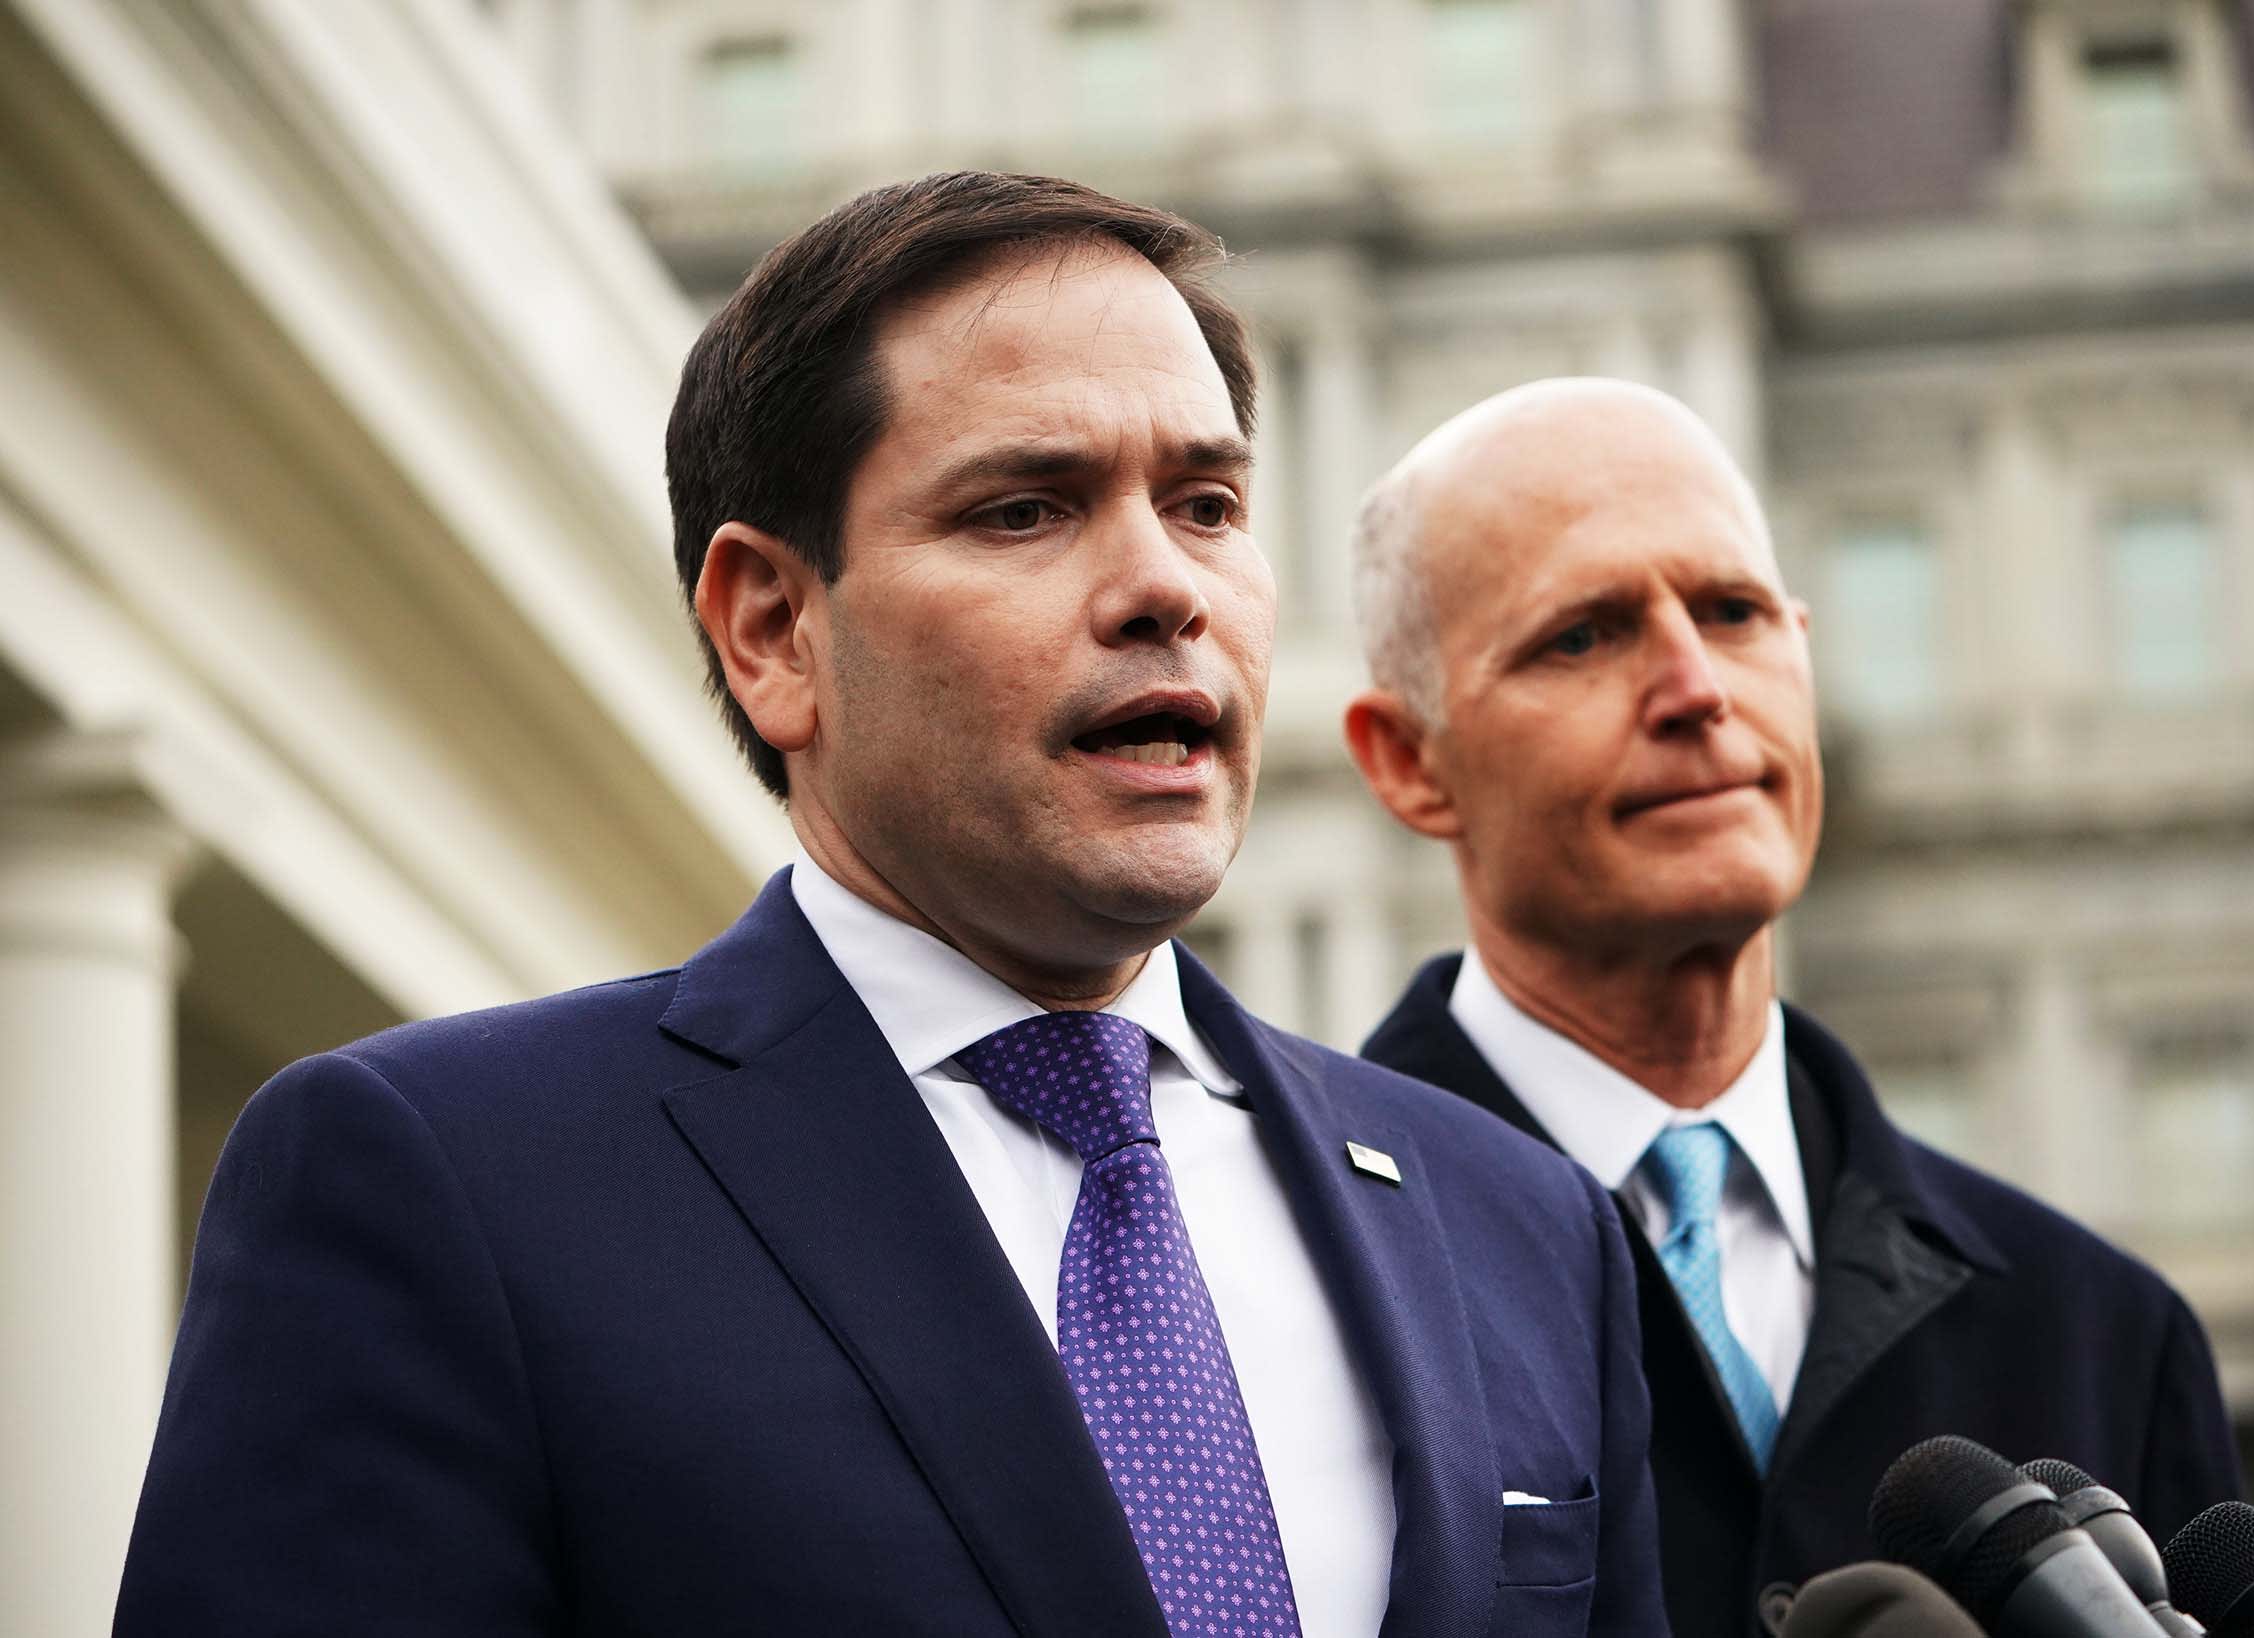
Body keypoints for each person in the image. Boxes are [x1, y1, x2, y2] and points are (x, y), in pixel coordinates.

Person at [115, 178, 1663, 1638]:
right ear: (774, 628)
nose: (1164, 588)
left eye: (1204, 502)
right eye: (1025, 510)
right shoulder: (440, 1183)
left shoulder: (1526, 1227)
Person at [1342, 379, 2241, 1638]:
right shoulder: (1285, 1276)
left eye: (1735, 611)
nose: (1696, 686)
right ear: (1407, 761)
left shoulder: (2100, 1332)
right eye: (1583, 637)